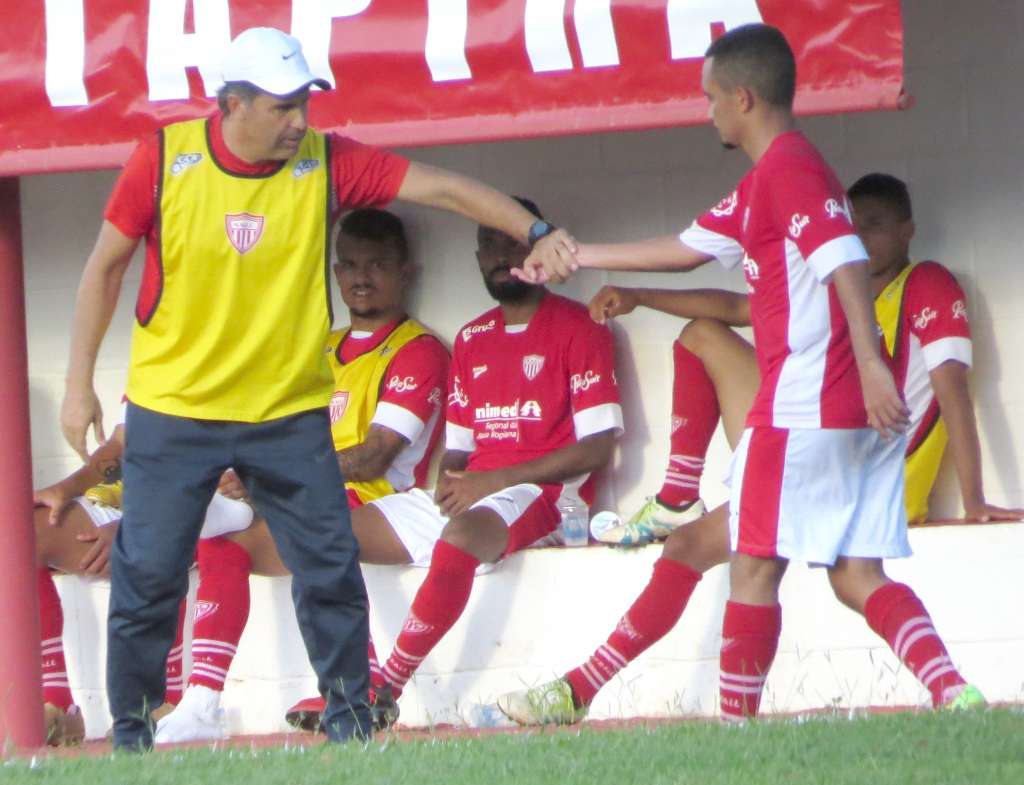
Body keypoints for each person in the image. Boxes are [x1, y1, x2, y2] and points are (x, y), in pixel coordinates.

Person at [60, 27, 577, 749]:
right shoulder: (163, 158)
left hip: (286, 412)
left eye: (304, 101)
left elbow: (446, 186)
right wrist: (79, 382)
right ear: (231, 102)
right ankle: (132, 735)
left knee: (329, 567)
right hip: (174, 411)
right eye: (282, 106)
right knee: (146, 576)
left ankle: (350, 722)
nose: (299, 120)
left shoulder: (325, 162)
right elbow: (104, 267)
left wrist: (536, 227)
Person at [503, 24, 985, 725]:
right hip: (839, 415)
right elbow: (684, 249)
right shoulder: (767, 181)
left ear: (743, 97)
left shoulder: (790, 168)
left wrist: (875, 363)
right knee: (853, 574)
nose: (706, 112)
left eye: (709, 99)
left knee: (753, 568)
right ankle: (954, 692)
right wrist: (575, 254)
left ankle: (735, 731)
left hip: (799, 410)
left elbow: (843, 258)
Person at [595, 172, 1022, 546]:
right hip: (822, 462)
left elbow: (953, 391)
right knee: (700, 335)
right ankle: (678, 496)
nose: (862, 238)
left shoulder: (926, 281)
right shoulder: (836, 290)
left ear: (907, 230)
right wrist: (639, 296)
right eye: (853, 226)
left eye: (875, 226)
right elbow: (740, 308)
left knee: (701, 553)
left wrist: (974, 500)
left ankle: (682, 504)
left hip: (874, 489)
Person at [154, 208, 449, 743]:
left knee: (310, 529)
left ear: (406, 272)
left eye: (378, 264)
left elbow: (376, 456)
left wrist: (268, 474)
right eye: (350, 265)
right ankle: (196, 700)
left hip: (379, 500)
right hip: (297, 495)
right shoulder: (316, 348)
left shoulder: (417, 350)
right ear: (334, 274)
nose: (361, 277)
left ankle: (348, 683)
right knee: (214, 539)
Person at [344, 199, 622, 714]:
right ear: (476, 259)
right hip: (476, 494)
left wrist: (488, 483)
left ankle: (387, 688)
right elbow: (459, 449)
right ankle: (349, 681)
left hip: (544, 497)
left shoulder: (581, 327)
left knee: (461, 536)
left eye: (511, 243)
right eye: (488, 246)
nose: (500, 255)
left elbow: (598, 446)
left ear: (536, 249)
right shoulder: (472, 338)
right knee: (329, 534)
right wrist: (453, 481)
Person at [32, 424, 255, 744]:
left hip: (209, 511)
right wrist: (66, 489)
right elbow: (122, 441)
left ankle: (165, 700)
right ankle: (58, 703)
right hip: (135, 507)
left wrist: (134, 528)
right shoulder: (154, 377)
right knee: (20, 530)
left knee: (159, 543)